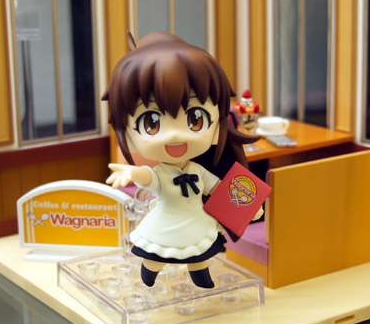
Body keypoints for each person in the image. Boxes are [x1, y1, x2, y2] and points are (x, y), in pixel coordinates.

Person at [103, 32, 259, 288]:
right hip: (165, 222)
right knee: (156, 254)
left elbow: (219, 189)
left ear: (217, 127)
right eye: (152, 123)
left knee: (199, 252)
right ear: (128, 134)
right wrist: (131, 173)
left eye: (195, 119)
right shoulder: (163, 173)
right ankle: (149, 273)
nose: (175, 135)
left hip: (195, 220)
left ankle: (200, 275)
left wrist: (247, 205)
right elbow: (149, 177)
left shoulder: (198, 169)